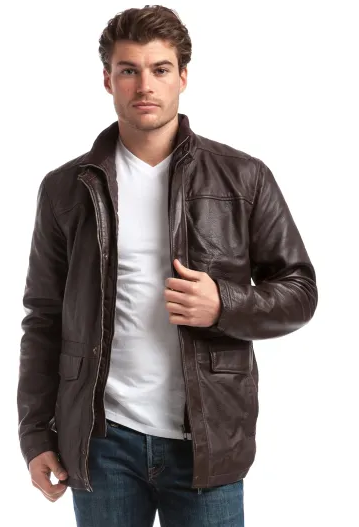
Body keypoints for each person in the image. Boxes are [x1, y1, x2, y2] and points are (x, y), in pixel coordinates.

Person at [17, 5, 318, 526]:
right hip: (102, 441)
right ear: (107, 80)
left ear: (182, 77)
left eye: (159, 69)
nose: (144, 85)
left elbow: (300, 290)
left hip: (206, 440)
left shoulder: (243, 177)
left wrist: (224, 304)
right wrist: (35, 435)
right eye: (128, 70)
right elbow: (43, 317)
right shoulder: (66, 189)